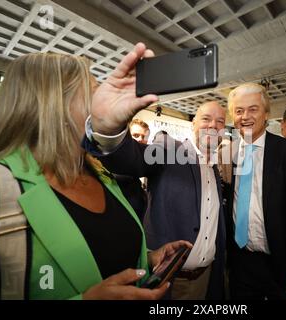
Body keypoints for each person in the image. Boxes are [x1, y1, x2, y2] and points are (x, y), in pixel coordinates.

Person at [0, 51, 190, 300]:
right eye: (94, 92)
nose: (104, 102)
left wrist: (148, 259)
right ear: (54, 105)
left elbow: (99, 249)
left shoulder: (97, 171)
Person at [83, 44, 227, 300]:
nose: (212, 126)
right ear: (193, 123)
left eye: (219, 122)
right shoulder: (170, 148)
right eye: (206, 119)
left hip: (207, 279)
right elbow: (133, 160)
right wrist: (109, 128)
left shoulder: (215, 166)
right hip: (171, 281)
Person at [224, 83, 286, 300]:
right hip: (240, 263)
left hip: (281, 263)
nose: (245, 116)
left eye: (253, 109)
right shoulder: (227, 153)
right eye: (238, 111)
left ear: (266, 114)